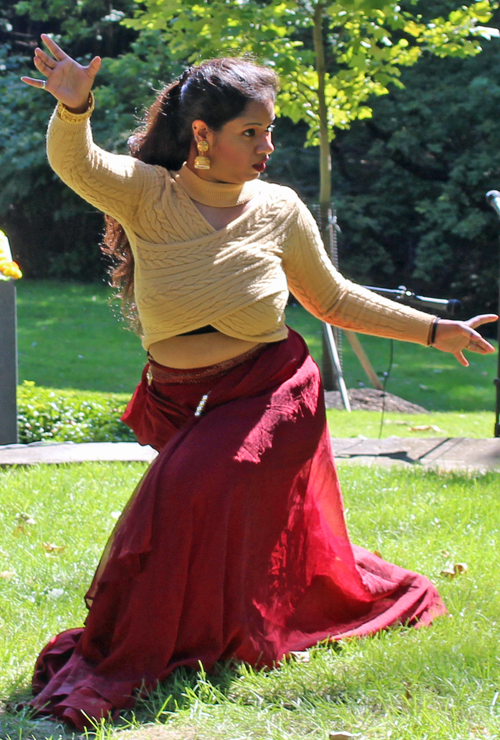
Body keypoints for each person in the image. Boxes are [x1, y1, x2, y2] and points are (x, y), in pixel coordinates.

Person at [21, 35, 496, 731]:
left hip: (272, 388)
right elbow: (77, 161)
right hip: (183, 394)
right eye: (252, 132)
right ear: (203, 135)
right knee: (209, 517)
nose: (267, 145)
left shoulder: (278, 209)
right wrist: (75, 107)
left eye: (270, 130)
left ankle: (144, 650)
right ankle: (214, 628)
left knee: (184, 496)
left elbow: (332, 299)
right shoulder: (148, 194)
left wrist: (433, 330)